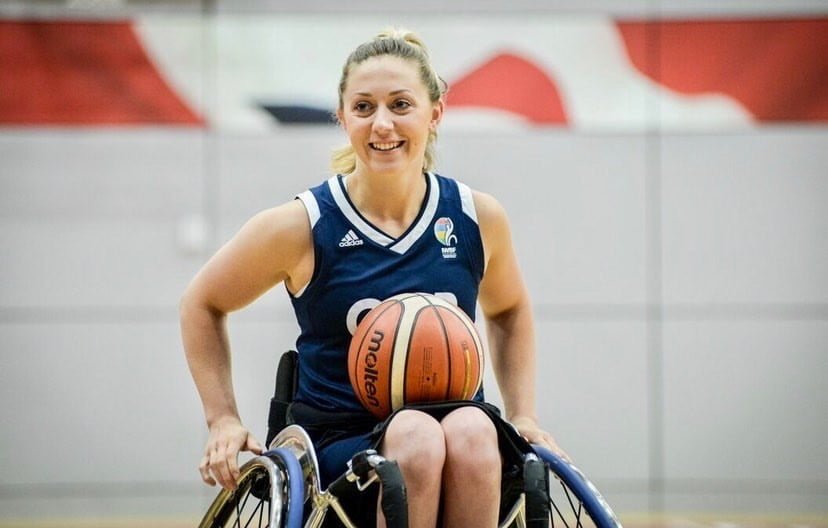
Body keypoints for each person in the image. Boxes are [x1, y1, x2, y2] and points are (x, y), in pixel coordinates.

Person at [180, 28, 565, 527]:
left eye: (400, 104)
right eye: (364, 108)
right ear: (342, 118)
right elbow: (202, 303)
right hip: (342, 439)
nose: (382, 123)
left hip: (456, 419)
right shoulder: (302, 225)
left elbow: (509, 308)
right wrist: (223, 419)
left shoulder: (475, 217)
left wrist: (524, 412)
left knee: (474, 430)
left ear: (435, 113)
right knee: (416, 438)